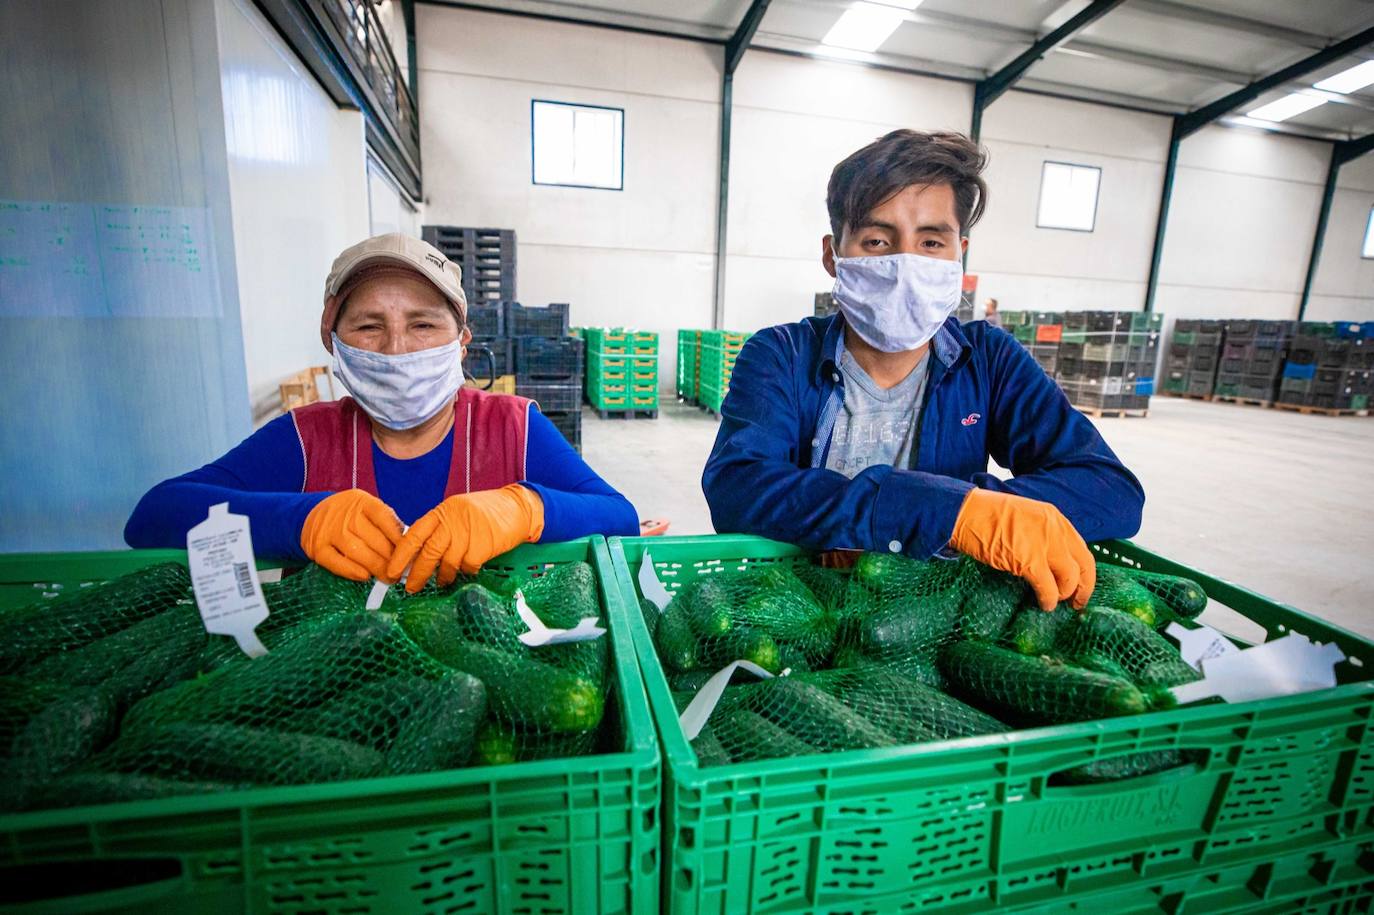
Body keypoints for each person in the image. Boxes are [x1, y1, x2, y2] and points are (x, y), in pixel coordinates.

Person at [702, 130, 1143, 611]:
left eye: (931, 242)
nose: (904, 264)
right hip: (798, 609)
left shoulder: (989, 359)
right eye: (876, 240)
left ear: (959, 254)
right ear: (833, 254)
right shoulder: (781, 354)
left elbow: (1111, 490)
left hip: (941, 617)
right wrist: (947, 514)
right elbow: (738, 488)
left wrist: (986, 514)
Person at [126, 233, 638, 591]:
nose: (397, 350)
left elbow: (621, 517)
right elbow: (154, 516)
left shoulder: (513, 428)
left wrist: (522, 509)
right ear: (334, 344)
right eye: (369, 327)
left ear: (461, 343)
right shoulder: (306, 440)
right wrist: (300, 520)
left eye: (423, 326)